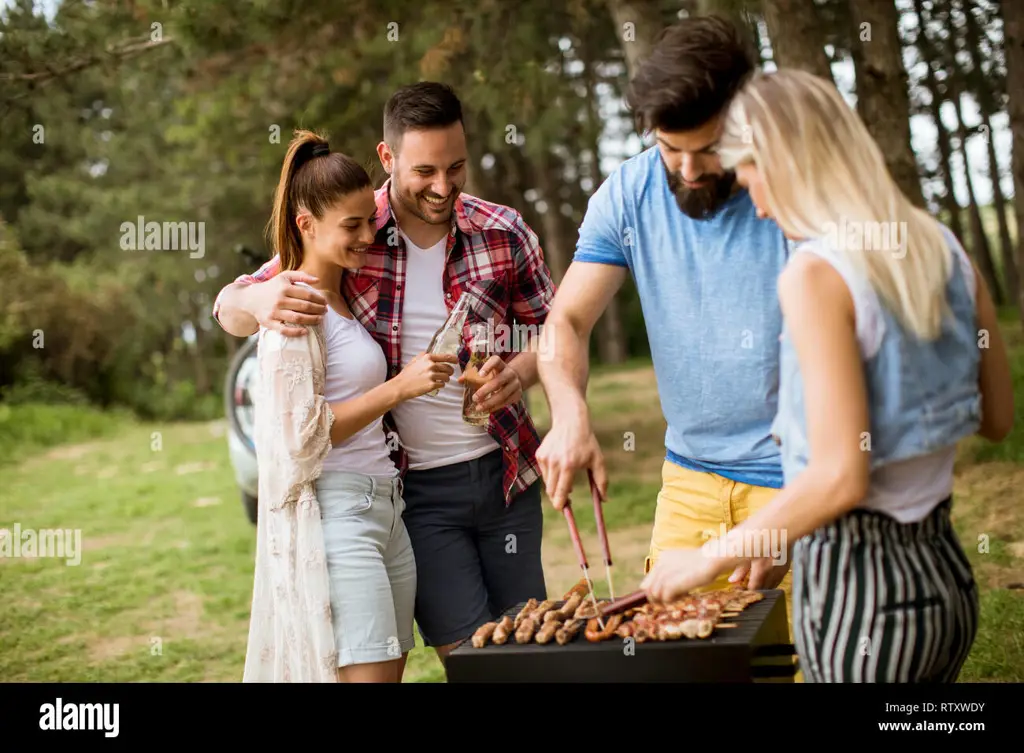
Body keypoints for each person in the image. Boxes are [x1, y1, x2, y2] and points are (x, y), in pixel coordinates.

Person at [641, 69, 1014, 683]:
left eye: (750, 173)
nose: (753, 199)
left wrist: (707, 558)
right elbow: (998, 420)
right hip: (946, 579)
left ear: (785, 162)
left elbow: (840, 477)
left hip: (863, 602)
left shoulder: (815, 273)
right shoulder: (941, 245)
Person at [217, 83, 556, 669]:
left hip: (507, 477)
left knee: (533, 649)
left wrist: (520, 372)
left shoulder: (504, 231)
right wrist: (262, 294)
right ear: (387, 157)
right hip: (418, 493)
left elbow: (554, 331)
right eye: (425, 170)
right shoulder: (352, 230)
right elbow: (229, 305)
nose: (444, 187)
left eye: (457, 167)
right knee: (473, 660)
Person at [536, 17, 793, 603]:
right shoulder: (628, 193)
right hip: (689, 482)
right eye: (669, 147)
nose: (686, 169)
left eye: (707, 150)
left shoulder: (791, 190)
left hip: (800, 480)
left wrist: (793, 516)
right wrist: (570, 412)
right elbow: (566, 322)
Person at [242, 130, 458, 683]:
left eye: (370, 221)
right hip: (341, 515)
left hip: (387, 508)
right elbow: (304, 437)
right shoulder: (295, 311)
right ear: (305, 225)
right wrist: (400, 388)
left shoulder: (344, 297)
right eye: (352, 226)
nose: (369, 236)